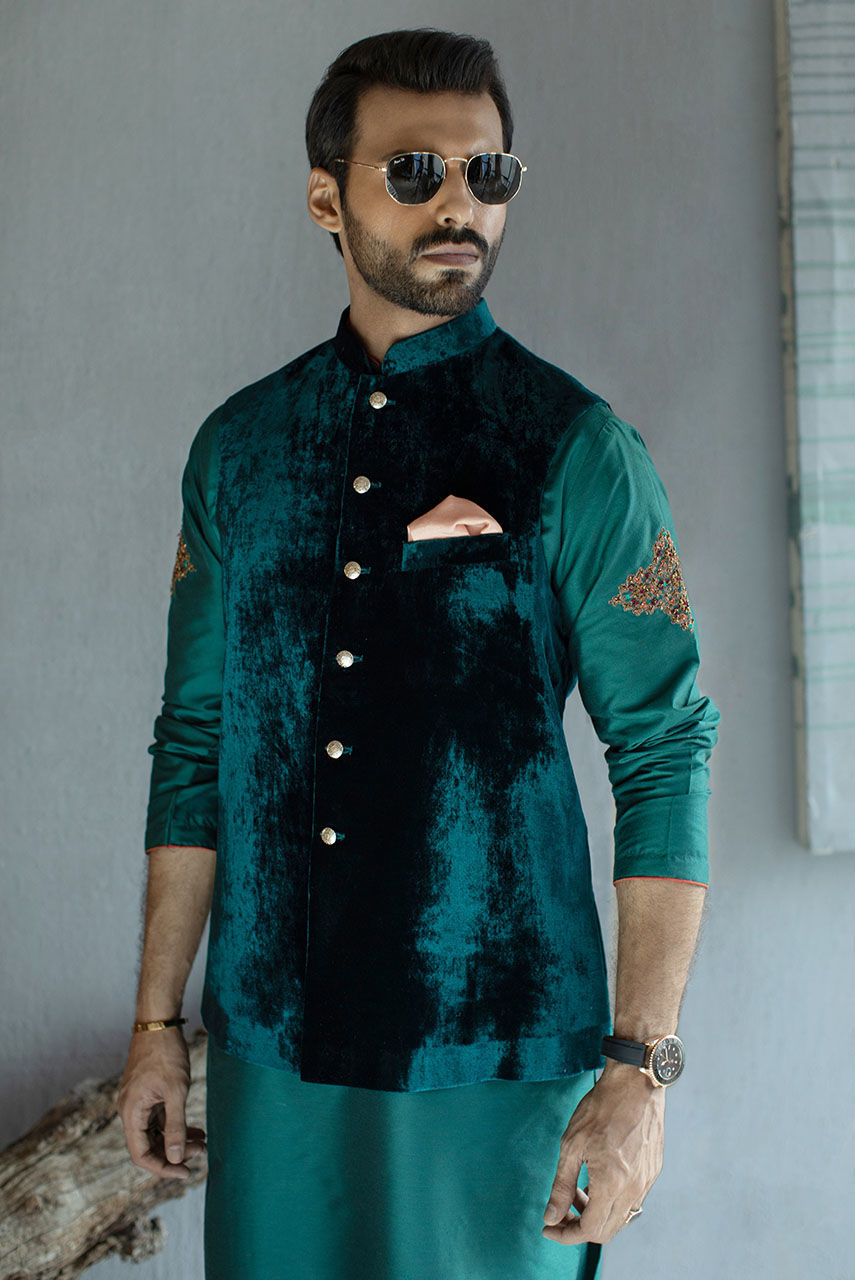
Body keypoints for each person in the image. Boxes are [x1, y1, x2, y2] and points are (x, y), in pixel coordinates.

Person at [117, 27, 721, 1280]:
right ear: (325, 199)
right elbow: (195, 739)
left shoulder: (577, 448)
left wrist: (640, 1069)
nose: (459, 204)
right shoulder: (239, 450)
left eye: (486, 174)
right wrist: (156, 1020)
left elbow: (666, 749)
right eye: (414, 171)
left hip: (499, 1060)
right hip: (275, 1051)